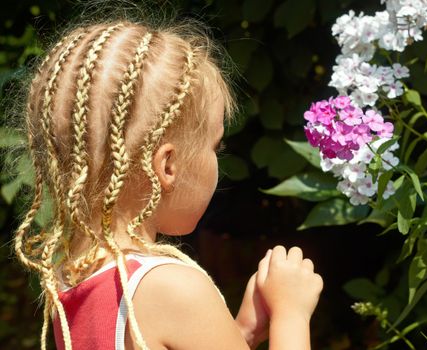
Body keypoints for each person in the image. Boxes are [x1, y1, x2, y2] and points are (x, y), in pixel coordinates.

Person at [14, 18, 323, 350]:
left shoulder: (72, 277)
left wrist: (242, 332)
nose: (218, 159)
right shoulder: (171, 288)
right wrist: (291, 315)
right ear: (167, 165)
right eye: (214, 146)